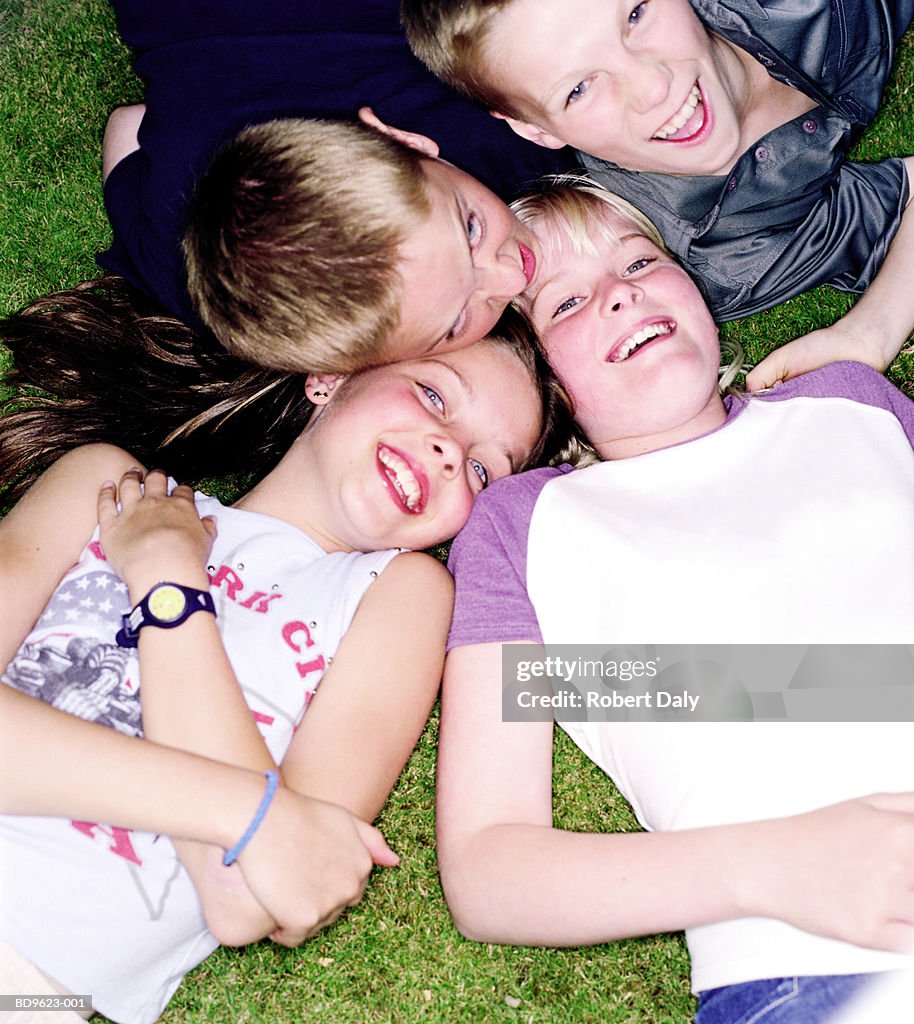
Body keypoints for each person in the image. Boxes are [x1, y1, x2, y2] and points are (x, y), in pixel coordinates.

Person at [438, 179, 914, 1023]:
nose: (622, 292)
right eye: (568, 302)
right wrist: (767, 866)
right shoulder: (525, 527)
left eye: (641, 261)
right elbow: (487, 868)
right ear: (542, 383)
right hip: (815, 964)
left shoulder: (848, 403)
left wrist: (868, 331)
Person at [0, 319, 566, 1024]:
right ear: (329, 374)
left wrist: (169, 585)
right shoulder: (109, 487)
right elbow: (265, 855)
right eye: (432, 395)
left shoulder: (397, 597)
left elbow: (254, 898)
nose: (452, 452)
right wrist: (250, 815)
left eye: (485, 468)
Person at [401, 0, 914, 388]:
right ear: (535, 131)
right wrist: (868, 334)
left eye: (636, 15)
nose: (652, 88)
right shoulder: (721, 253)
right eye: (578, 90)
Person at [95, 0, 575, 372]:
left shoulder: (510, 144)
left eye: (471, 228)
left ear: (405, 138)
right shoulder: (181, 270)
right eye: (454, 324)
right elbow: (126, 128)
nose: (511, 276)